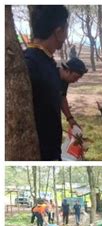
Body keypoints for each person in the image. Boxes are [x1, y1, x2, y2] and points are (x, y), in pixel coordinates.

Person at [24, 5, 69, 160]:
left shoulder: (47, 61)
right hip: (38, 153)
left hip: (52, 150)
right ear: (59, 31)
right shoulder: (29, 64)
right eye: (66, 29)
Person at [59, 57, 88, 131]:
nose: (75, 81)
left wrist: (70, 119)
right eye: (75, 77)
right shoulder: (50, 76)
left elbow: (62, 98)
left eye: (78, 79)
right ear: (67, 71)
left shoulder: (65, 81)